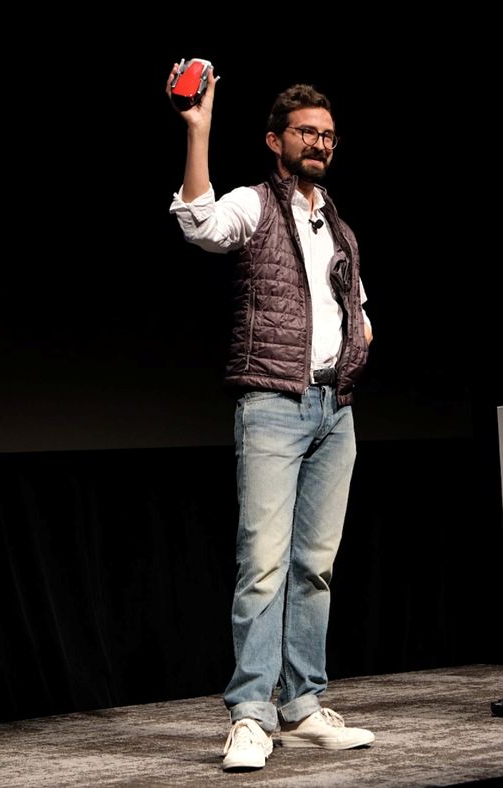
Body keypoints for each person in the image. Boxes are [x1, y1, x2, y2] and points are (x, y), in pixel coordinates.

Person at [167, 64, 375, 772]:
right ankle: (251, 714)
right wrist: (198, 130)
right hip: (273, 405)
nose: (320, 142)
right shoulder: (256, 205)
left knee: (315, 567)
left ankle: (303, 705)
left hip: (334, 410)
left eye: (328, 134)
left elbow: (356, 306)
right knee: (262, 566)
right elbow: (199, 224)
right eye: (306, 132)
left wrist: (361, 336)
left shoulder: (338, 226)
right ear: (275, 139)